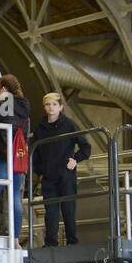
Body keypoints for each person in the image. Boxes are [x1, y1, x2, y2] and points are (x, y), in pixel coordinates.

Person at [32, 92, 91, 247]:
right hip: (48, 177)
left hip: (66, 176)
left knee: (68, 210)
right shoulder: (39, 128)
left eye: (54, 104)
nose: (51, 108)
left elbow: (86, 147)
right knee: (50, 212)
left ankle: (72, 242)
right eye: (48, 104)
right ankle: (51, 244)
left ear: (60, 107)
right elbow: (34, 153)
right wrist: (40, 170)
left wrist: (75, 160)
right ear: (44, 107)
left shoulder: (69, 125)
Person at [0, 74, 31, 238]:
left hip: (4, 158)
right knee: (15, 200)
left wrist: (1, 102)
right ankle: (15, 237)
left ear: (3, 88)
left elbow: (7, 127)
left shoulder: (7, 102)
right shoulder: (24, 105)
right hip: (18, 159)